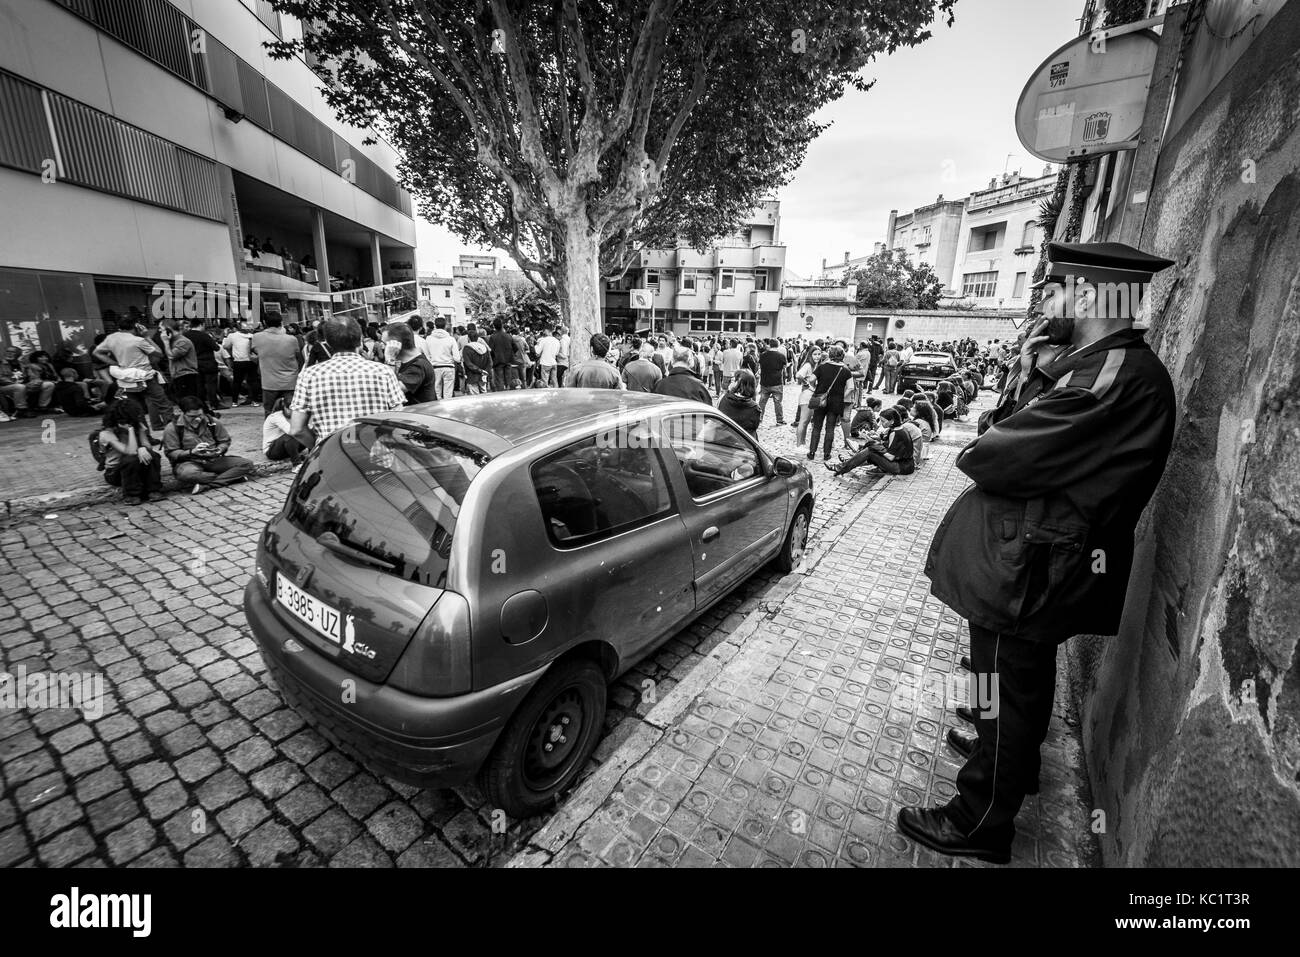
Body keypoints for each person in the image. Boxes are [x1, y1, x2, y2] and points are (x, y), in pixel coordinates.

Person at [900, 241, 1178, 864]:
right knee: (1010, 690)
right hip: (1033, 562)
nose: (1048, 301)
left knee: (1006, 692)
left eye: (1056, 289)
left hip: (1032, 568)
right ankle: (1005, 766)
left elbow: (991, 452)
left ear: (1089, 295)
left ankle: (978, 821)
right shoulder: (1095, 367)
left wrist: (988, 440)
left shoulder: (1110, 376)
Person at [288, 317, 406, 444]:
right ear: (360, 339)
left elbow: (296, 430)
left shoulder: (308, 376)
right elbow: (397, 417)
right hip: (376, 451)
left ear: (327, 342)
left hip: (332, 456)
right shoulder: (383, 372)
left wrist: (321, 448)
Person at [93, 317, 172, 430]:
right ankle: (173, 431)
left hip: (125, 379)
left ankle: (145, 437)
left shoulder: (111, 338)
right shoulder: (138, 340)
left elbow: (97, 352)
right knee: (163, 404)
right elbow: (159, 353)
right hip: (145, 377)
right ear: (136, 327)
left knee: (136, 409)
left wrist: (115, 363)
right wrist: (146, 336)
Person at [163, 397, 254, 493]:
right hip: (189, 462)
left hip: (213, 459)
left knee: (246, 464)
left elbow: (224, 441)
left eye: (200, 415)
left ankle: (207, 485)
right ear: (183, 412)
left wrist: (220, 449)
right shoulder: (172, 428)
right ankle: (230, 477)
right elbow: (171, 452)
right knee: (187, 474)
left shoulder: (213, 422)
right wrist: (192, 451)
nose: (197, 419)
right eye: (192, 417)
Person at [97, 392, 163, 504]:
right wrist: (131, 430)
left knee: (153, 455)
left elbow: (147, 446)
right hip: (116, 472)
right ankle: (131, 495)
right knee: (131, 460)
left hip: (137, 467)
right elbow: (130, 452)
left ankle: (153, 490)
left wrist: (142, 447)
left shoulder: (138, 425)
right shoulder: (107, 434)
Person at [828, 406, 914, 476]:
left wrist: (874, 446)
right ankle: (845, 464)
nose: (881, 423)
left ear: (892, 421)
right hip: (904, 465)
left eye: (883, 421)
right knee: (870, 448)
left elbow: (890, 456)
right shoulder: (897, 429)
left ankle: (842, 466)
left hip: (901, 467)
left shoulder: (897, 433)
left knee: (870, 450)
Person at [249, 314, 302, 415]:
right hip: (290, 382)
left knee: (270, 413)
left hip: (269, 383)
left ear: (264, 323)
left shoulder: (257, 337)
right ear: (281, 323)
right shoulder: (291, 339)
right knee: (292, 414)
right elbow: (298, 357)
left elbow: (253, 354)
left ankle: (271, 430)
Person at [806, 346, 851, 462]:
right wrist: (842, 395)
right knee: (830, 428)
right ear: (842, 355)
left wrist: (816, 388)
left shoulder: (822, 367)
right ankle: (827, 454)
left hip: (821, 400)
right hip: (836, 402)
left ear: (830, 354)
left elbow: (810, 379)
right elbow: (851, 387)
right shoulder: (845, 370)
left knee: (816, 427)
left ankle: (812, 452)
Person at [387, 321, 436, 404]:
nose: (382, 346)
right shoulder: (412, 362)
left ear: (397, 345)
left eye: (386, 344)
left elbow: (392, 391)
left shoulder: (418, 366)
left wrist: (390, 358)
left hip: (419, 415)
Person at [421, 315, 460, 399]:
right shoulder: (451, 339)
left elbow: (427, 355)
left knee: (436, 393)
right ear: (445, 326)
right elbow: (457, 358)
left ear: (435, 326)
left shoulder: (428, 339)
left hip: (435, 367)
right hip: (449, 367)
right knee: (448, 394)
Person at [221, 322, 259, 405]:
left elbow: (226, 346)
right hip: (252, 361)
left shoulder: (232, 336)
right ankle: (255, 401)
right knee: (253, 381)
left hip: (238, 361)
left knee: (237, 382)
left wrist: (231, 353)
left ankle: (234, 402)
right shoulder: (253, 336)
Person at [718, 369, 761, 437]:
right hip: (744, 443)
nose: (731, 382)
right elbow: (754, 427)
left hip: (724, 440)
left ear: (737, 383)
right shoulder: (755, 408)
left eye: (733, 380)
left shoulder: (723, 399)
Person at [262, 396, 305, 463]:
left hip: (287, 447)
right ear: (284, 407)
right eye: (291, 410)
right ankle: (296, 464)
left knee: (311, 433)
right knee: (291, 435)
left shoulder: (296, 415)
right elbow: (292, 432)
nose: (294, 412)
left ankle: (311, 459)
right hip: (272, 451)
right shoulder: (276, 417)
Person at [757, 338, 787, 425]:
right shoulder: (781, 356)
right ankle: (779, 420)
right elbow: (784, 367)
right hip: (777, 382)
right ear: (778, 345)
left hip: (765, 382)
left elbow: (760, 365)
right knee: (778, 402)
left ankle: (759, 418)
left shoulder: (763, 355)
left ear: (769, 345)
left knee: (762, 402)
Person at [488, 318, 519, 391]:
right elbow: (515, 348)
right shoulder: (508, 336)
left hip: (498, 361)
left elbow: (490, 350)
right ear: (502, 325)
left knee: (499, 381)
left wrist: (493, 358)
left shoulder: (493, 337)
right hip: (508, 361)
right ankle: (508, 392)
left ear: (494, 327)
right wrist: (510, 354)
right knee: (508, 380)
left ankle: (501, 395)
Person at [460, 327, 491, 394]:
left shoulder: (467, 348)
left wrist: (479, 370)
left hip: (472, 376)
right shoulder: (484, 347)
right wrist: (485, 371)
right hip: (483, 376)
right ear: (478, 338)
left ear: (468, 338)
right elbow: (490, 362)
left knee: (475, 397)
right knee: (484, 393)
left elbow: (468, 364)